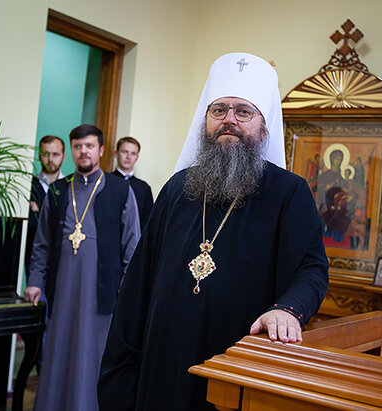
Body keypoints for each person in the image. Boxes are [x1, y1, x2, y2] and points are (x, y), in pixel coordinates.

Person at [98, 52, 330, 410]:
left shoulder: (288, 192)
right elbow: (138, 286)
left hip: (234, 372)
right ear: (205, 122)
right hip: (162, 372)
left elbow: (312, 268)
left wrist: (289, 309)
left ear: (264, 127)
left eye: (243, 111)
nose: (229, 120)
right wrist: (120, 379)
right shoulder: (178, 189)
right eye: (218, 110)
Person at [25, 124, 140, 411]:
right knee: (58, 352)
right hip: (62, 291)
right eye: (78, 147)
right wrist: (35, 280)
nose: (83, 152)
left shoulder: (119, 190)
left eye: (89, 146)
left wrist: (127, 294)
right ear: (71, 152)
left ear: (101, 150)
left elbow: (133, 249)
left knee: (92, 356)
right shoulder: (57, 191)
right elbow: (41, 244)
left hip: (101, 294)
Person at [25, 135, 66, 270]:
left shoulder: (70, 187)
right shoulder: (28, 185)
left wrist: (39, 210)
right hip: (34, 258)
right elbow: (30, 224)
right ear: (39, 155)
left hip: (62, 260)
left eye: (55, 154)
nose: (50, 160)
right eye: (45, 154)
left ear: (63, 156)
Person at [112, 136, 154, 231]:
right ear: (116, 153)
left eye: (133, 153)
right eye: (124, 152)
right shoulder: (105, 181)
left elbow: (148, 221)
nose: (128, 157)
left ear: (137, 157)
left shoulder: (144, 188)